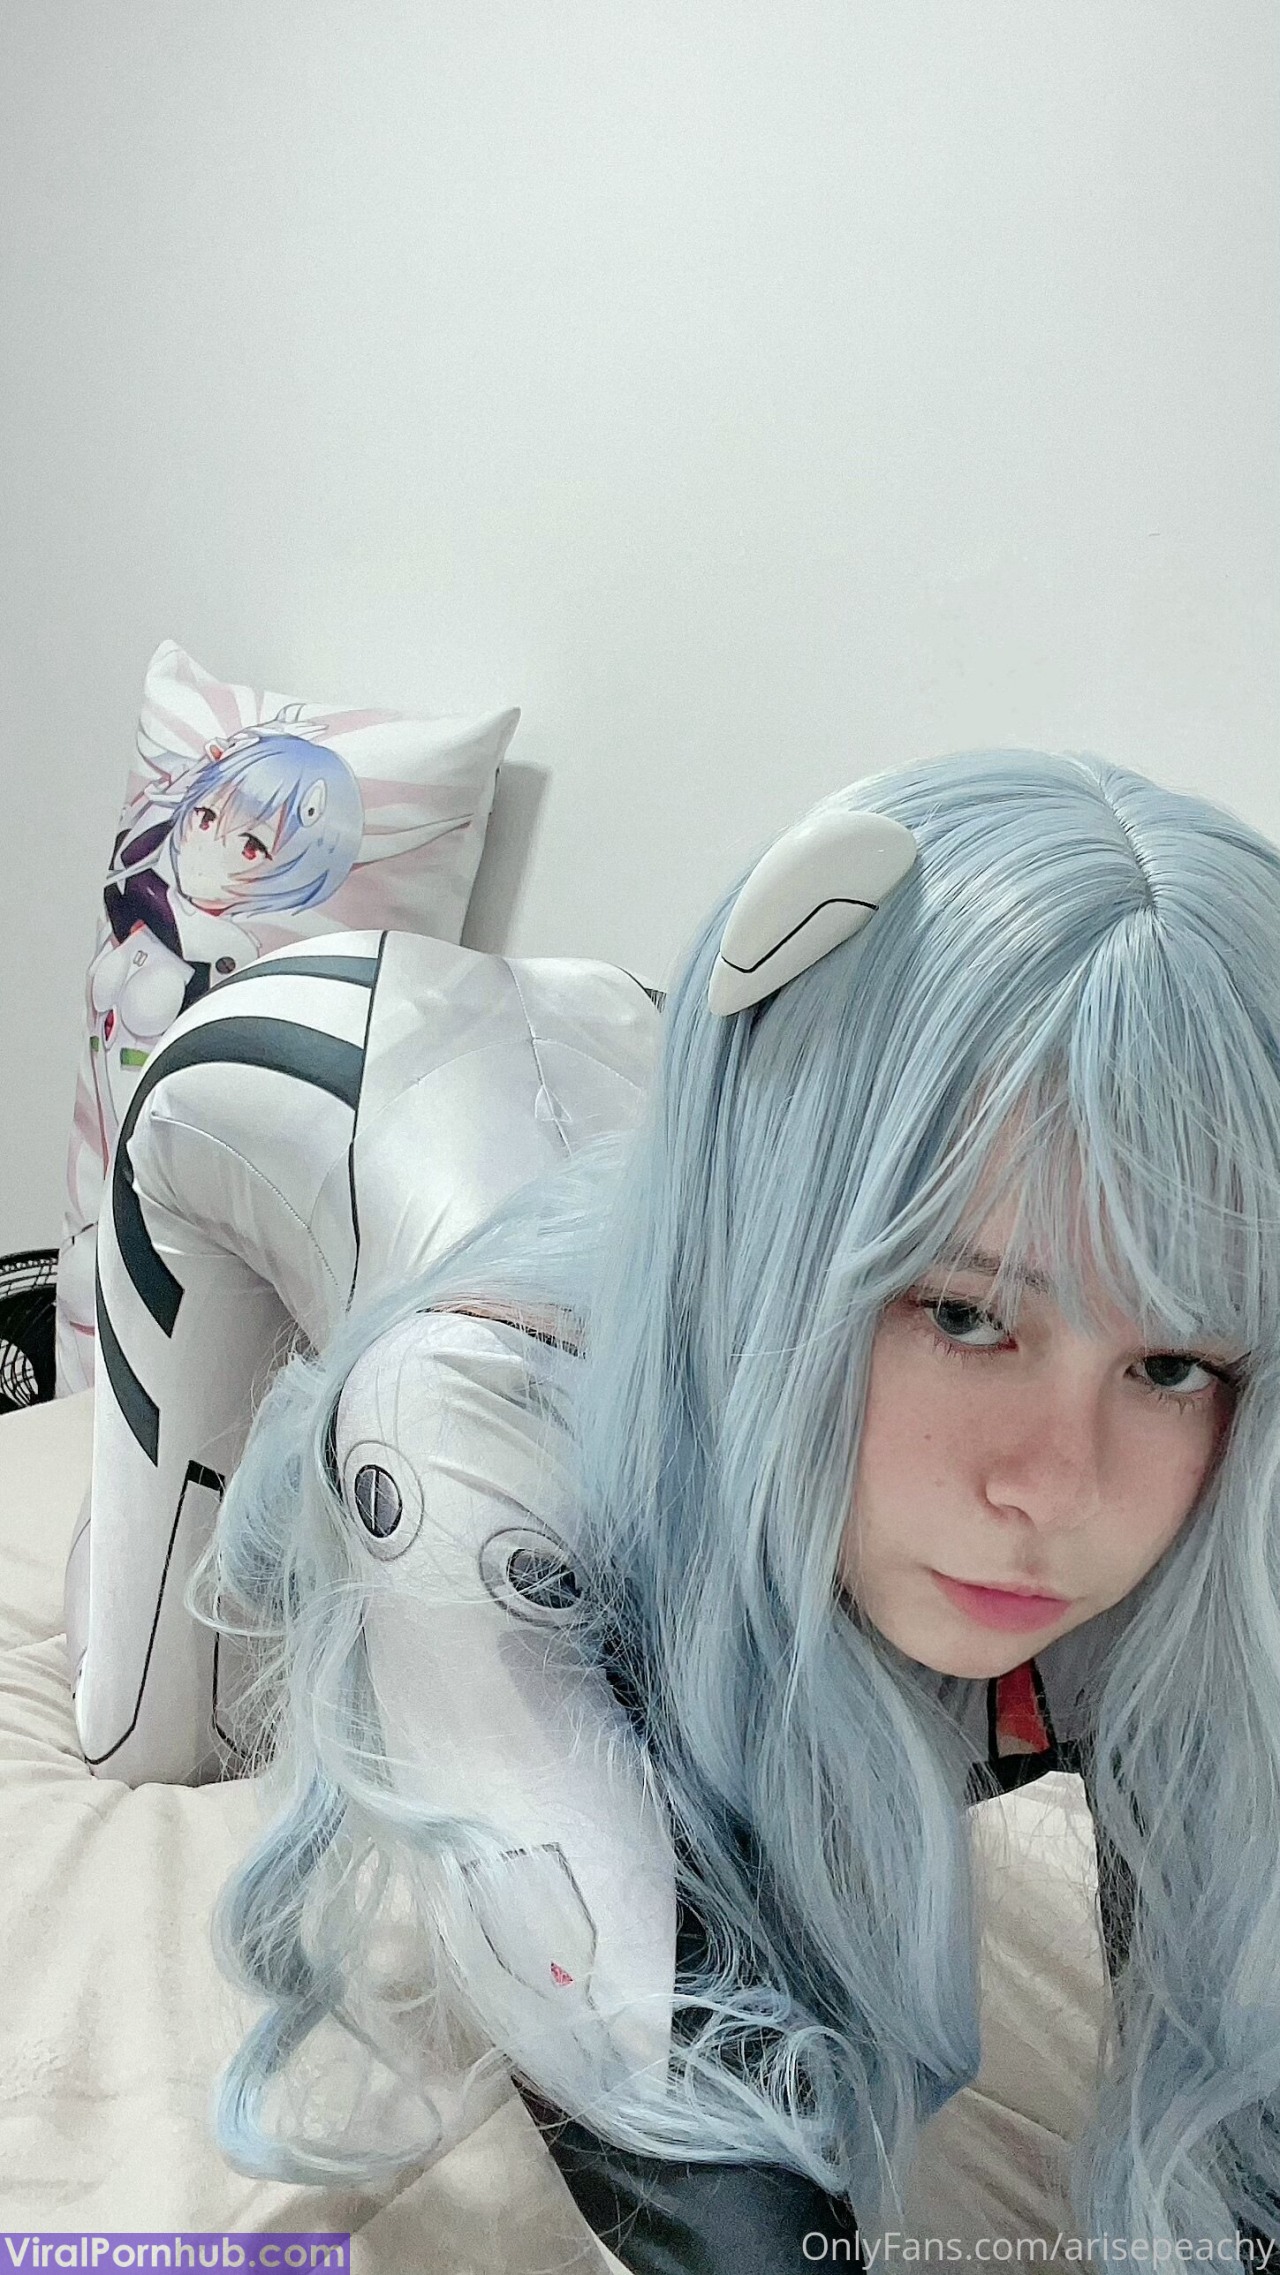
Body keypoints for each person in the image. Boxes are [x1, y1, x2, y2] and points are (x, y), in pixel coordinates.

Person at [198, 749, 1280, 2267]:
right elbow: (658, 2073)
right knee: (145, 1719)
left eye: (1170, 1363)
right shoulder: (473, 1416)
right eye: (963, 1316)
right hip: (269, 1076)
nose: (1054, 1487)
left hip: (660, 1090)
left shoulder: (1216, 1472)